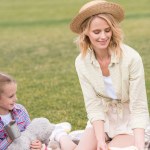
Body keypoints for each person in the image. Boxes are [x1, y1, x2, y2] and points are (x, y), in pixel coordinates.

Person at [49, 0, 150, 150]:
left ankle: (73, 138)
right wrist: (100, 140)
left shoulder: (131, 58)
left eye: (107, 30)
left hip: (129, 122)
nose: (103, 36)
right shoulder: (81, 62)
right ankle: (60, 135)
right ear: (86, 33)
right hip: (104, 119)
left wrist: (140, 147)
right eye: (96, 32)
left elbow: (139, 107)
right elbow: (93, 106)